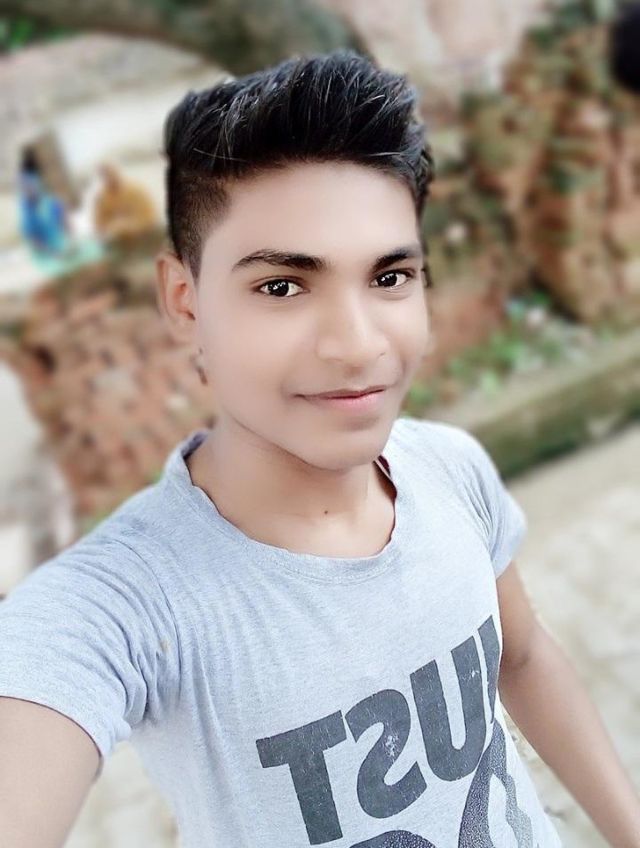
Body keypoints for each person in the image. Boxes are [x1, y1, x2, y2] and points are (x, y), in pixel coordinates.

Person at [1, 50, 639, 848]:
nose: (357, 344)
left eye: (390, 277)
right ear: (185, 302)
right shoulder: (126, 602)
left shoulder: (449, 465)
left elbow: (523, 658)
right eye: (282, 286)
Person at [18, 148, 70, 262]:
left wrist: (70, 238)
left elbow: (64, 220)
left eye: (33, 186)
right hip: (46, 256)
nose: (31, 189)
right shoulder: (27, 213)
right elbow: (33, 240)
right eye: (27, 188)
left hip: (61, 247)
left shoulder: (50, 202)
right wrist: (51, 252)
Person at [93, 160, 157, 245]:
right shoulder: (101, 198)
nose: (110, 178)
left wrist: (128, 226)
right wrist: (113, 228)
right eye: (105, 175)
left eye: (111, 173)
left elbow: (150, 216)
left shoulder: (136, 190)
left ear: (117, 173)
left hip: (142, 237)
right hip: (116, 242)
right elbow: (99, 225)